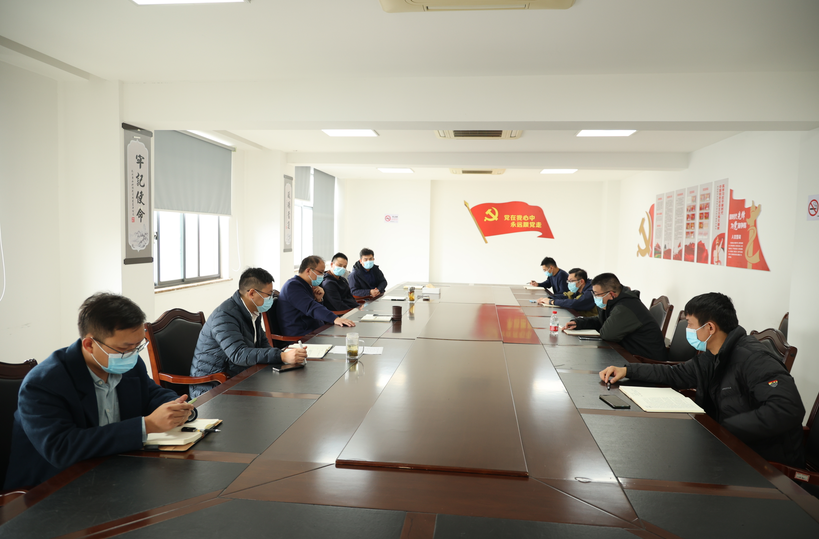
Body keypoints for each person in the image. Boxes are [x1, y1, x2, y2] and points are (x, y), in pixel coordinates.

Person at [4, 293, 198, 489]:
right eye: (125, 348)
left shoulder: (128, 362)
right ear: (89, 344)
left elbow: (151, 394)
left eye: (138, 345)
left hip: (116, 472)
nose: (132, 354)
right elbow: (61, 449)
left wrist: (177, 407)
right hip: (51, 488)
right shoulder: (43, 384)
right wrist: (146, 425)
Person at [599, 293, 805, 467]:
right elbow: (676, 374)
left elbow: (787, 408)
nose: (688, 329)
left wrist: (724, 429)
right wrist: (628, 370)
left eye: (690, 324)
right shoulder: (715, 354)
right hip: (724, 445)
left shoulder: (754, 358)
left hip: (759, 459)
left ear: (710, 328)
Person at [189, 268, 307, 398]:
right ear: (252, 293)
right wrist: (281, 356)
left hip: (240, 377)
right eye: (268, 294)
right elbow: (238, 354)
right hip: (212, 388)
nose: (271, 298)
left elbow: (263, 344)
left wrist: (284, 357)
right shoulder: (224, 316)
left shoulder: (253, 310)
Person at [564, 272, 667, 360]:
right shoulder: (616, 302)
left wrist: (602, 310)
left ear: (611, 294)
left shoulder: (625, 307)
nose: (595, 297)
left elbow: (607, 334)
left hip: (643, 360)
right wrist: (579, 323)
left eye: (597, 294)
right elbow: (602, 320)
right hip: (630, 353)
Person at [278, 255, 357, 336]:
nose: (322, 275)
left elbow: (314, 311)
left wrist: (319, 300)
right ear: (308, 270)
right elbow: (311, 307)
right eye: (320, 272)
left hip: (315, 330)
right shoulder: (293, 286)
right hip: (302, 335)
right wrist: (335, 318)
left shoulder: (306, 286)